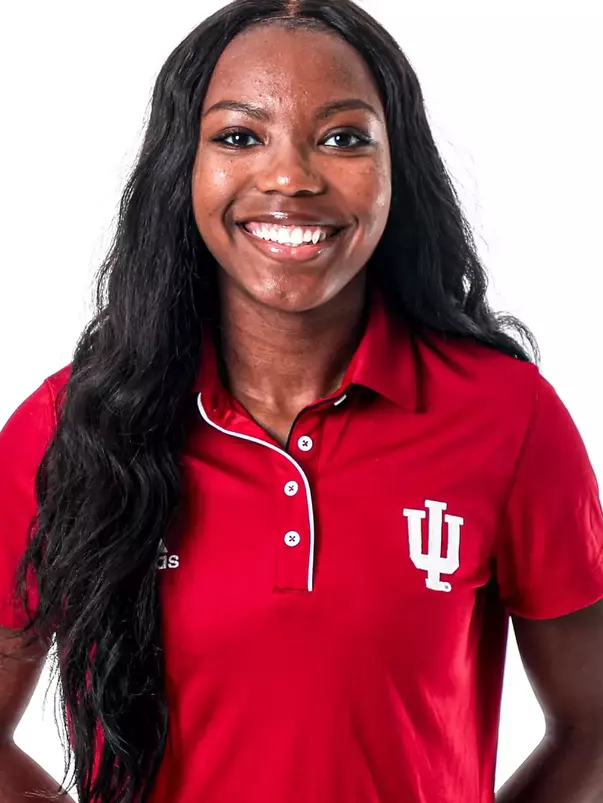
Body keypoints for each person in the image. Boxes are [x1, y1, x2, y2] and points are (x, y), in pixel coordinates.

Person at [1, 1, 602, 802]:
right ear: (183, 166)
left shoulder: (507, 417)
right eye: (239, 136)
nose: (289, 177)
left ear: (398, 168)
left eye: (344, 138)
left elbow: (593, 726)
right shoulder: (65, 427)